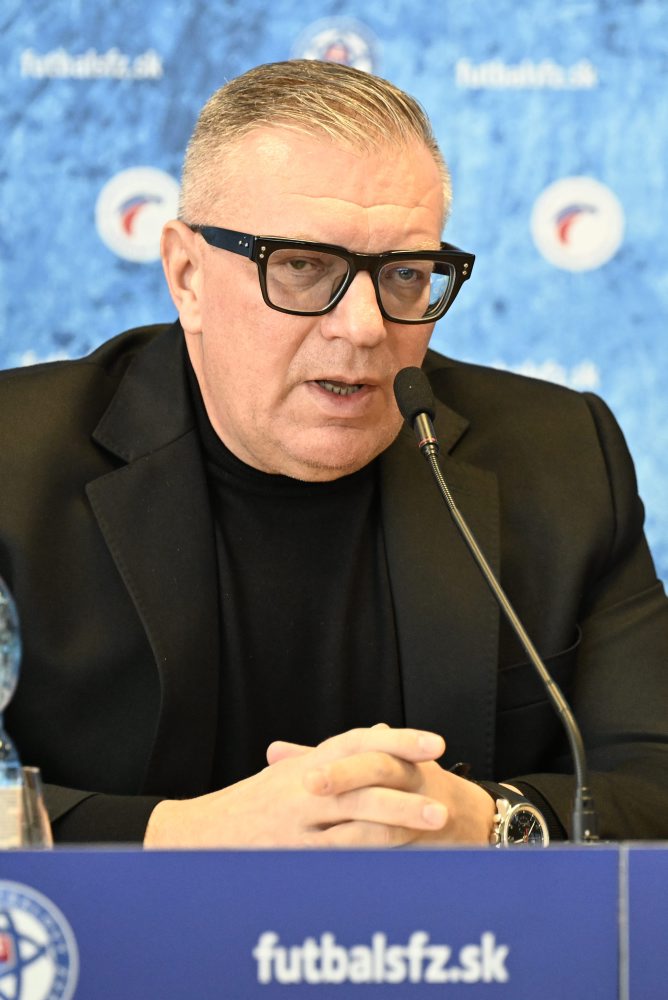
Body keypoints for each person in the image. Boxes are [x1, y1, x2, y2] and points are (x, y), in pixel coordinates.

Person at [2, 59, 667, 847]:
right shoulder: (16, 458)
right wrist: (182, 834)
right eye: (303, 266)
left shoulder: (562, 456)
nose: (363, 327)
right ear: (187, 275)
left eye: (405, 274)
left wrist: (486, 820)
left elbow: (651, 780)